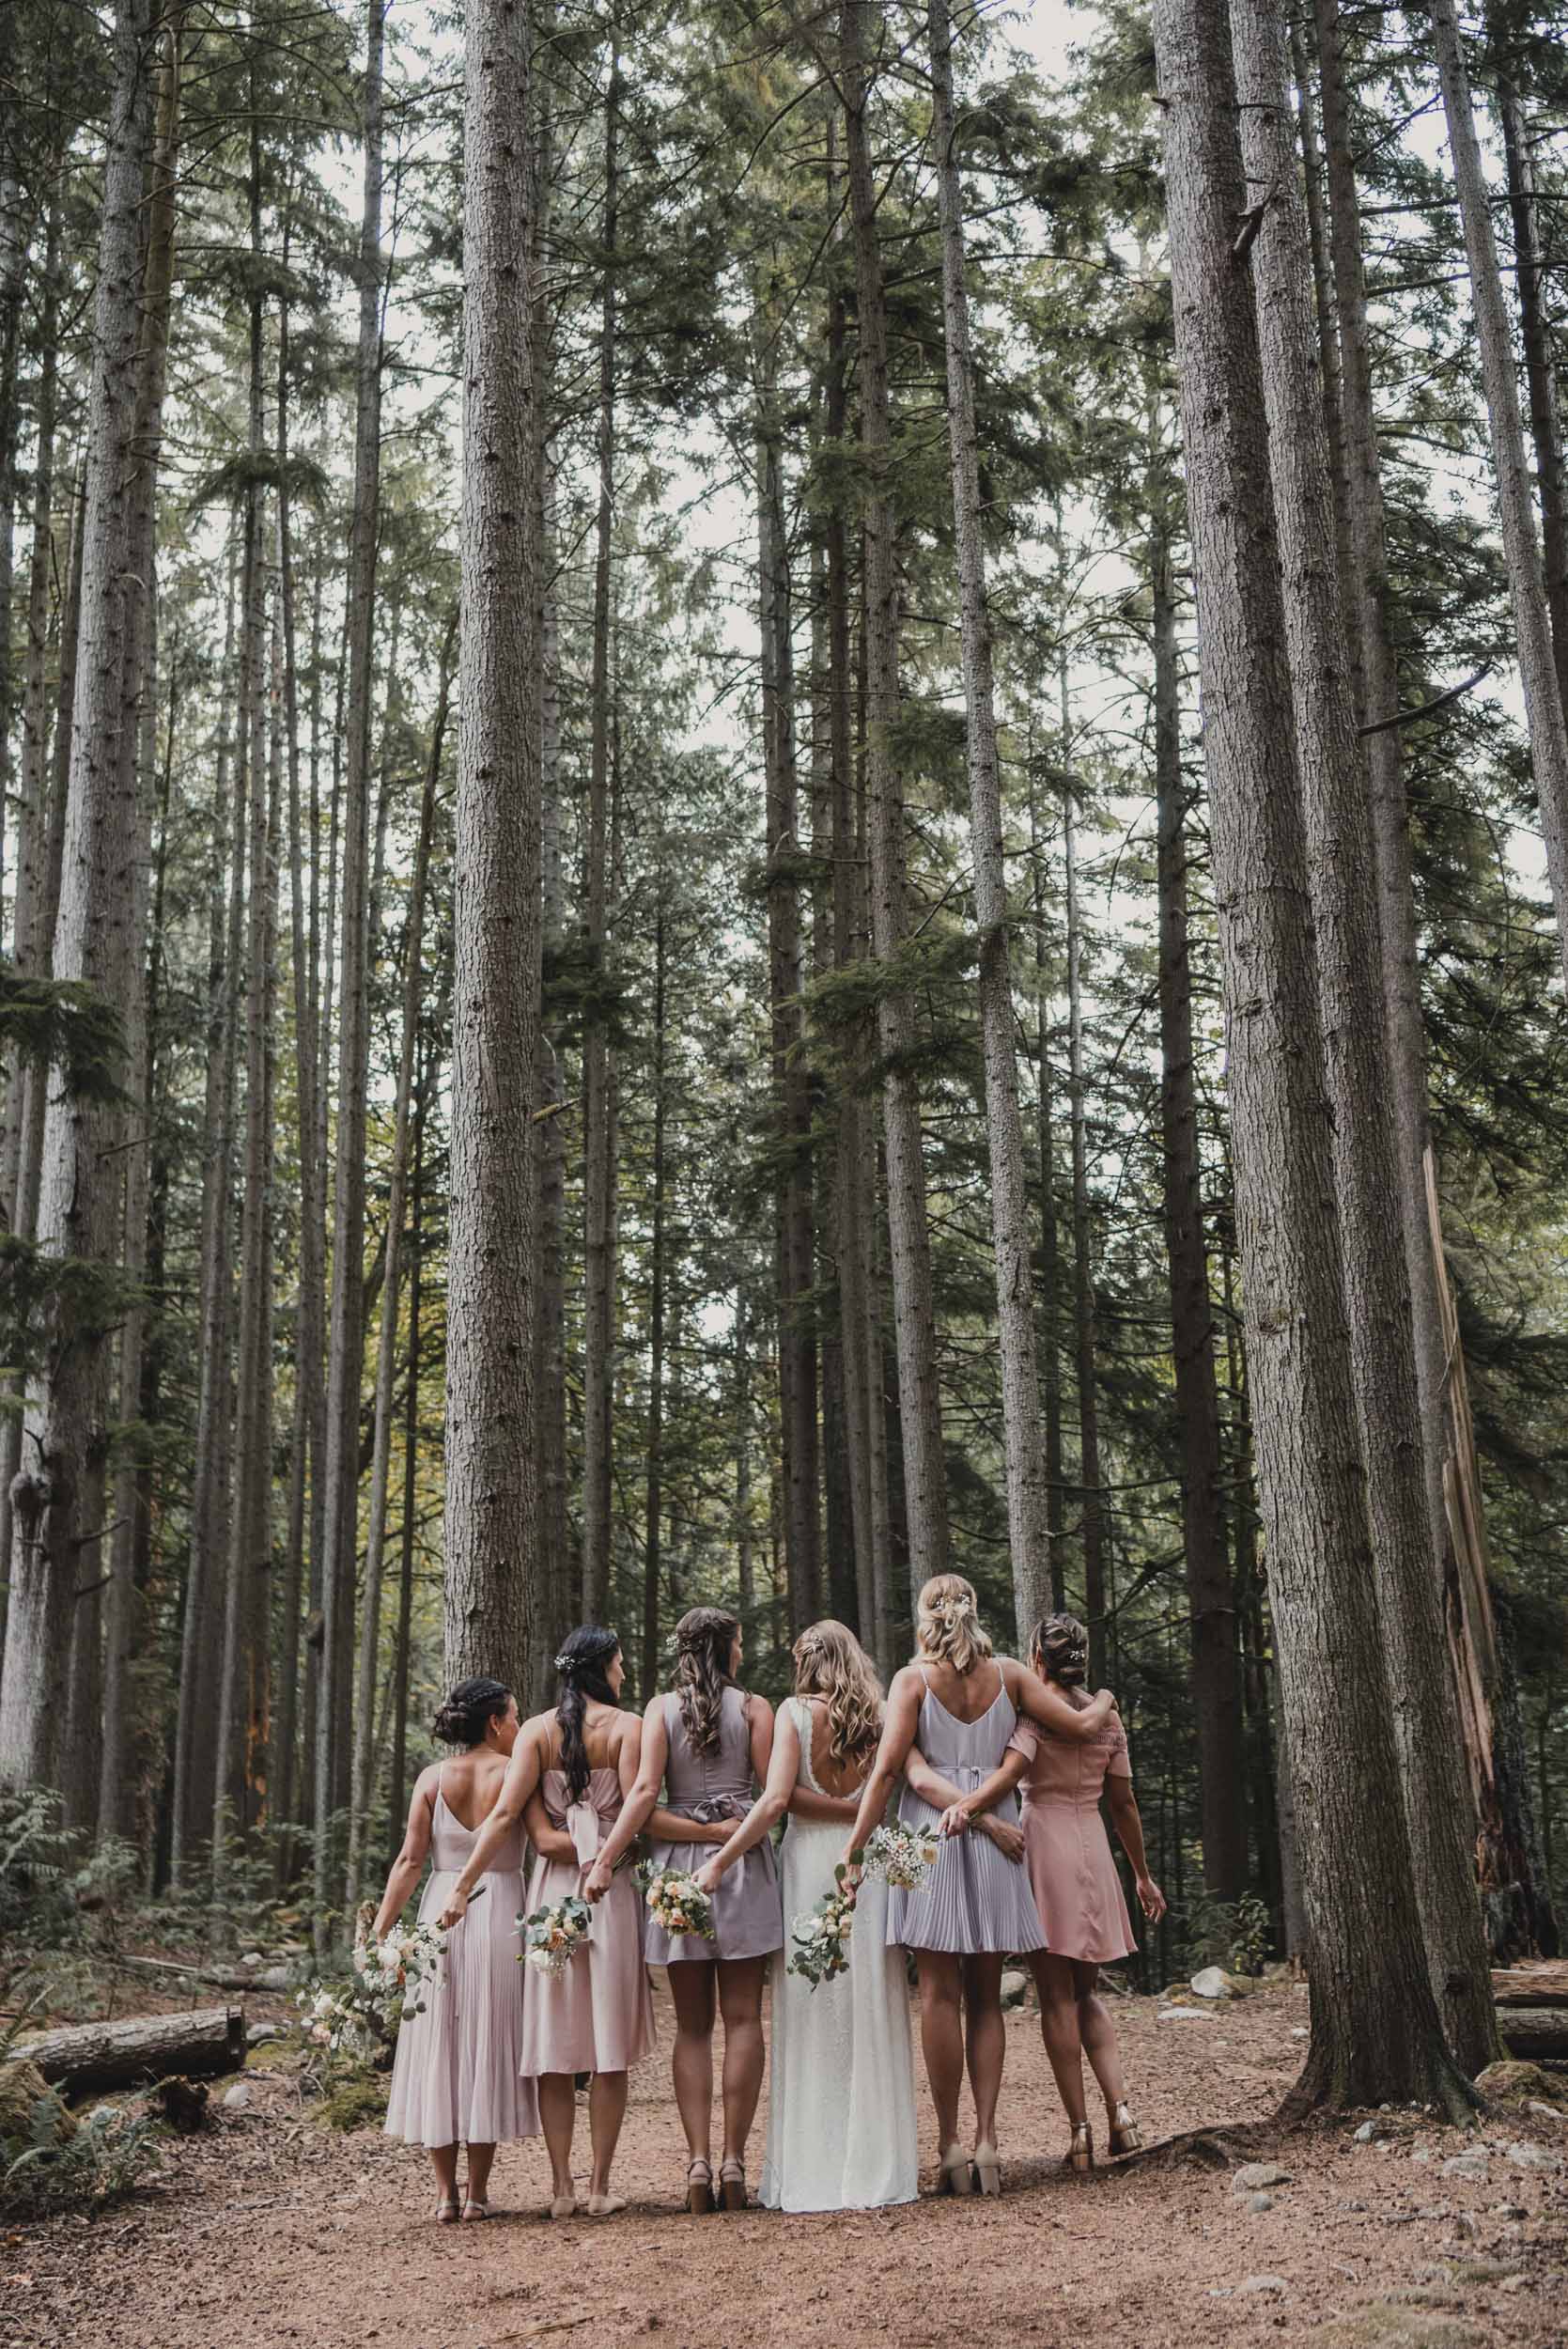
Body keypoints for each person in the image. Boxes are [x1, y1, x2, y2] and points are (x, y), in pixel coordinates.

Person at [841, 1574, 1118, 2197]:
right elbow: (1077, 1728)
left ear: (925, 1617)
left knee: (939, 1994)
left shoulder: (911, 1681)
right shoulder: (1012, 1676)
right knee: (986, 1996)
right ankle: (989, 2139)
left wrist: (853, 1852)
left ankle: (949, 2146)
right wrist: (1101, 1697)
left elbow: (888, 1770)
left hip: (931, 1836)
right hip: (998, 1842)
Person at [694, 1621, 917, 2212]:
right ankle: (875, 2159)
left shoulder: (795, 1714)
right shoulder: (877, 1717)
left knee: (813, 2009)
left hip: (809, 1862)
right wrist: (856, 1817)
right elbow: (885, 1787)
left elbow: (775, 1800)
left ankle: (815, 2163)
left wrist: (720, 1861)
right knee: (868, 2001)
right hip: (860, 1861)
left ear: (806, 1662)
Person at [932, 1610, 1165, 2172]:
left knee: (1056, 1997)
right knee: (1089, 1995)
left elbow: (1012, 1775)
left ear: (1038, 1659)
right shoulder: (1105, 1719)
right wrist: (1140, 1873)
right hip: (1094, 1850)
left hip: (1043, 1848)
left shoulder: (1034, 1715)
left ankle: (1081, 2132)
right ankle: (1123, 2112)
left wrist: (968, 1807)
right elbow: (1124, 1803)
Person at [584, 1606, 780, 2213]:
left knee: (692, 2026)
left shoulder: (657, 1710)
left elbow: (643, 1795)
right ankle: (733, 2161)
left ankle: (696, 2162)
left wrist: (604, 1859)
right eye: (740, 1645)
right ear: (725, 1649)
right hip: (742, 1862)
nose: (743, 1654)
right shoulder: (755, 1709)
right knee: (744, 2019)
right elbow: (772, 1798)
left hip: (676, 1871)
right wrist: (727, 1833)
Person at [378, 1677, 552, 2220]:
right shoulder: (519, 1773)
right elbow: (543, 1841)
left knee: (441, 2043)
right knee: (486, 2038)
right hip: (500, 1909)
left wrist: (381, 1930)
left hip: (439, 1912)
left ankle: (445, 2193)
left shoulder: (432, 1779)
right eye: (516, 1716)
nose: (521, 1726)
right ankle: (478, 2193)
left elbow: (409, 1861)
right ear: (496, 1723)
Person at [516, 1626, 656, 2217]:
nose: (624, 1675)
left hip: (552, 1895)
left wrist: (579, 1846)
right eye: (620, 1664)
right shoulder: (629, 1729)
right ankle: (599, 2185)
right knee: (608, 2042)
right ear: (602, 1669)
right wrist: (606, 1856)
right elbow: (640, 1812)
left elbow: (543, 1841)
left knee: (555, 2040)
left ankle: (560, 2189)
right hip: (612, 1891)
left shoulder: (534, 1733)